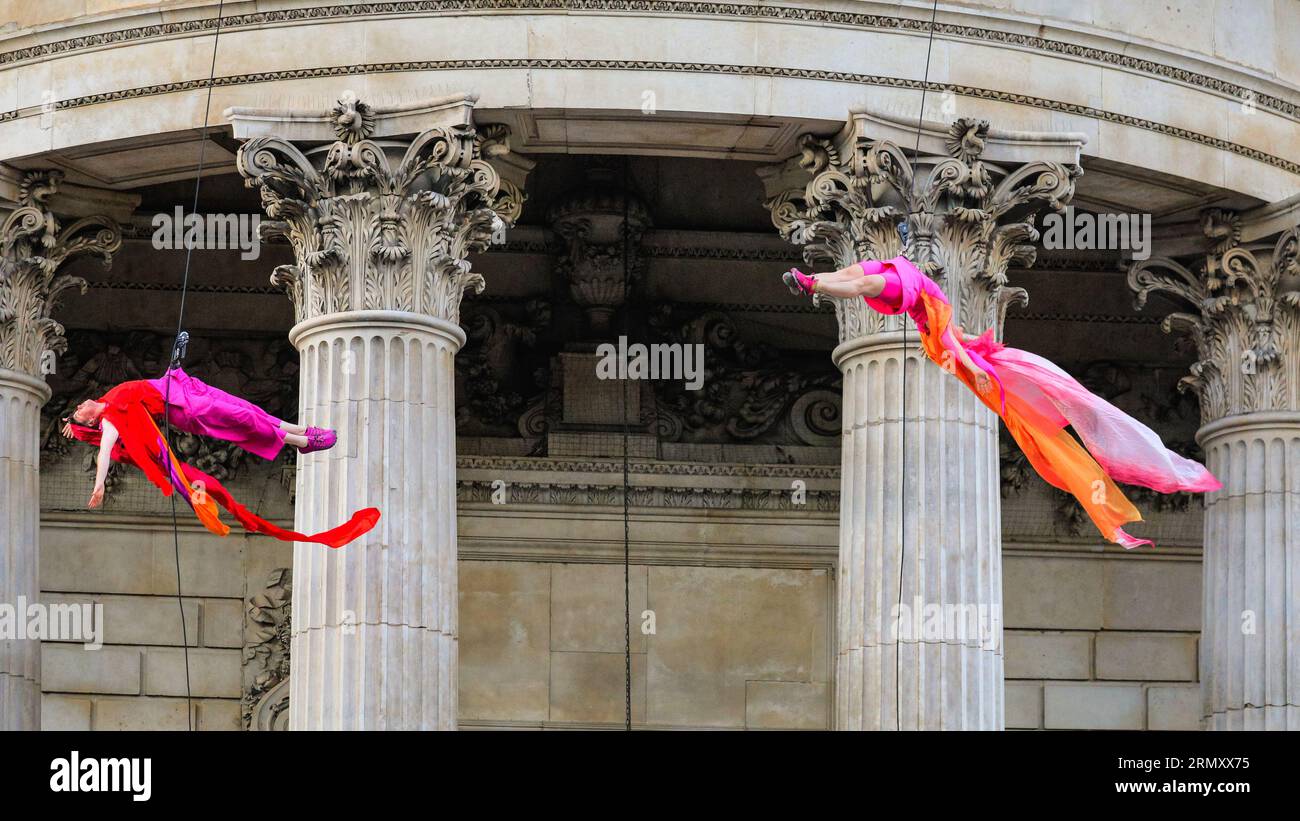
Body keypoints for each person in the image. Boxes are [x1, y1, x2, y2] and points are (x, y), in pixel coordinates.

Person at [784, 257, 1220, 549]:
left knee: (857, 279)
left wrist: (974, 366)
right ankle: (813, 281)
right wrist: (979, 361)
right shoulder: (942, 332)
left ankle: (812, 282)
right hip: (905, 280)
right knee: (856, 279)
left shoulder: (939, 335)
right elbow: (963, 344)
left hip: (903, 281)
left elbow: (960, 348)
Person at [62, 365, 376, 548]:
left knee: (249, 410)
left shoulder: (105, 399)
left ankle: (303, 434)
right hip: (186, 409)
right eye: (78, 414)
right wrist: (99, 484)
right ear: (91, 422)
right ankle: (299, 441)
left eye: (76, 409)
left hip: (182, 388)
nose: (78, 407)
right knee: (244, 420)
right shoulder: (110, 420)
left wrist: (71, 427)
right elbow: (105, 450)